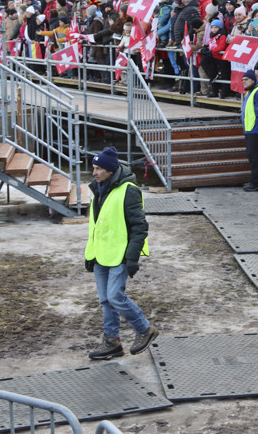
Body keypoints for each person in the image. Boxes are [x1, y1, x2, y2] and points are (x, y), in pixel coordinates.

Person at [85, 146, 158, 360]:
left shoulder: (129, 191)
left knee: (115, 296)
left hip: (120, 254)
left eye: (98, 168)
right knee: (105, 300)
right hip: (101, 255)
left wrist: (132, 257)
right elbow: (98, 227)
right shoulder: (99, 189)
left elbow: (139, 227)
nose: (94, 173)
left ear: (110, 170)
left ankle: (145, 329)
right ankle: (112, 341)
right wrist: (90, 255)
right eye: (93, 168)